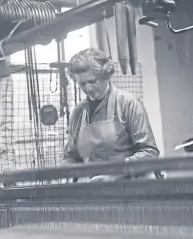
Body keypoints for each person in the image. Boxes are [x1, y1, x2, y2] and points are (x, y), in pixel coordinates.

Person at [62, 48, 159, 181]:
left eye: (92, 81)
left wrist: (115, 175)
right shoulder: (78, 113)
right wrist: (71, 172)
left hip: (130, 186)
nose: (88, 89)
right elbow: (71, 156)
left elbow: (149, 152)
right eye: (82, 84)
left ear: (105, 75)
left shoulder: (128, 104)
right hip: (93, 189)